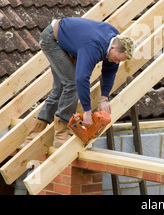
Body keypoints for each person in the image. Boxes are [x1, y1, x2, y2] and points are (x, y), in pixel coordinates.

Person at [25, 17, 134, 147]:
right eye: (117, 59)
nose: (116, 63)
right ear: (113, 48)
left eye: (119, 61)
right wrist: (87, 111)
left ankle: (35, 132)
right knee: (72, 83)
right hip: (53, 40)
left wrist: (104, 98)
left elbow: (110, 72)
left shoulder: (116, 43)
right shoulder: (94, 46)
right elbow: (81, 78)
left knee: (61, 88)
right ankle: (60, 134)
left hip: (67, 42)